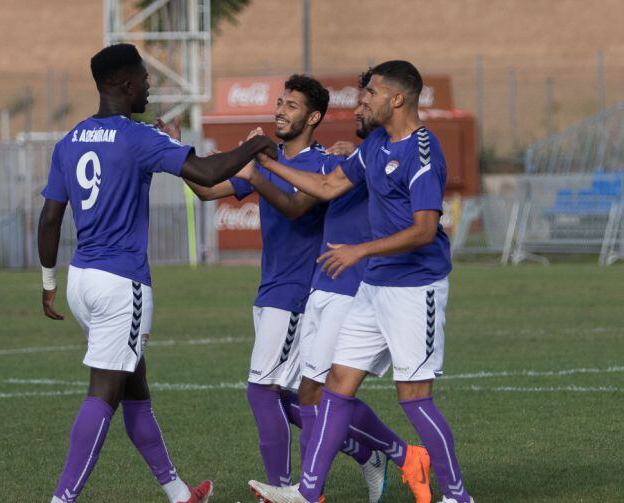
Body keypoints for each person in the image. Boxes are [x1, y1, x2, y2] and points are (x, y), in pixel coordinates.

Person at [37, 43, 277, 503]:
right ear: (126, 85)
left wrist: (48, 283)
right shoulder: (137, 137)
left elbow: (49, 218)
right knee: (103, 395)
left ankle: (180, 493)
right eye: (146, 79)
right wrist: (256, 144)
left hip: (80, 279)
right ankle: (61, 499)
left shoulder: (71, 140)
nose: (150, 86)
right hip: (121, 285)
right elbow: (206, 174)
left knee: (135, 387)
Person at [248, 61, 474, 503]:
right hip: (373, 287)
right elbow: (328, 186)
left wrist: (360, 250)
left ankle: (457, 495)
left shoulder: (423, 150)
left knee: (414, 398)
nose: (362, 99)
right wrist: (268, 163)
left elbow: (425, 229)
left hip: (415, 288)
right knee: (335, 386)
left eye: (370, 92)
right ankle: (308, 492)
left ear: (397, 99)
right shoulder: (373, 147)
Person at [182, 74, 390, 502]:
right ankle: (371, 450)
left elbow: (296, 209)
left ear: (313, 117)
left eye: (291, 105)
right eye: (280, 102)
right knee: (304, 396)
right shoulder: (268, 159)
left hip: (298, 291)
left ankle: (281, 488)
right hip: (270, 289)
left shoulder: (323, 165)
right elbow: (207, 190)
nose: (280, 110)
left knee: (263, 391)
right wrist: (171, 156)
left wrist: (259, 171)